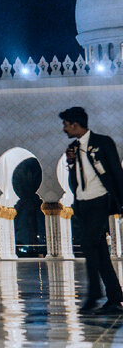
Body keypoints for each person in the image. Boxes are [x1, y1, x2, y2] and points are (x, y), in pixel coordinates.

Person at [61, 106, 123, 314]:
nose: (64, 129)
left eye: (66, 125)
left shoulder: (103, 143)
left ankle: (94, 294)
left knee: (87, 243)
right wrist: (70, 164)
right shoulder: (73, 147)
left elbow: (116, 172)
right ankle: (114, 297)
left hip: (99, 200)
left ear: (76, 124)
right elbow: (75, 179)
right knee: (99, 252)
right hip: (83, 203)